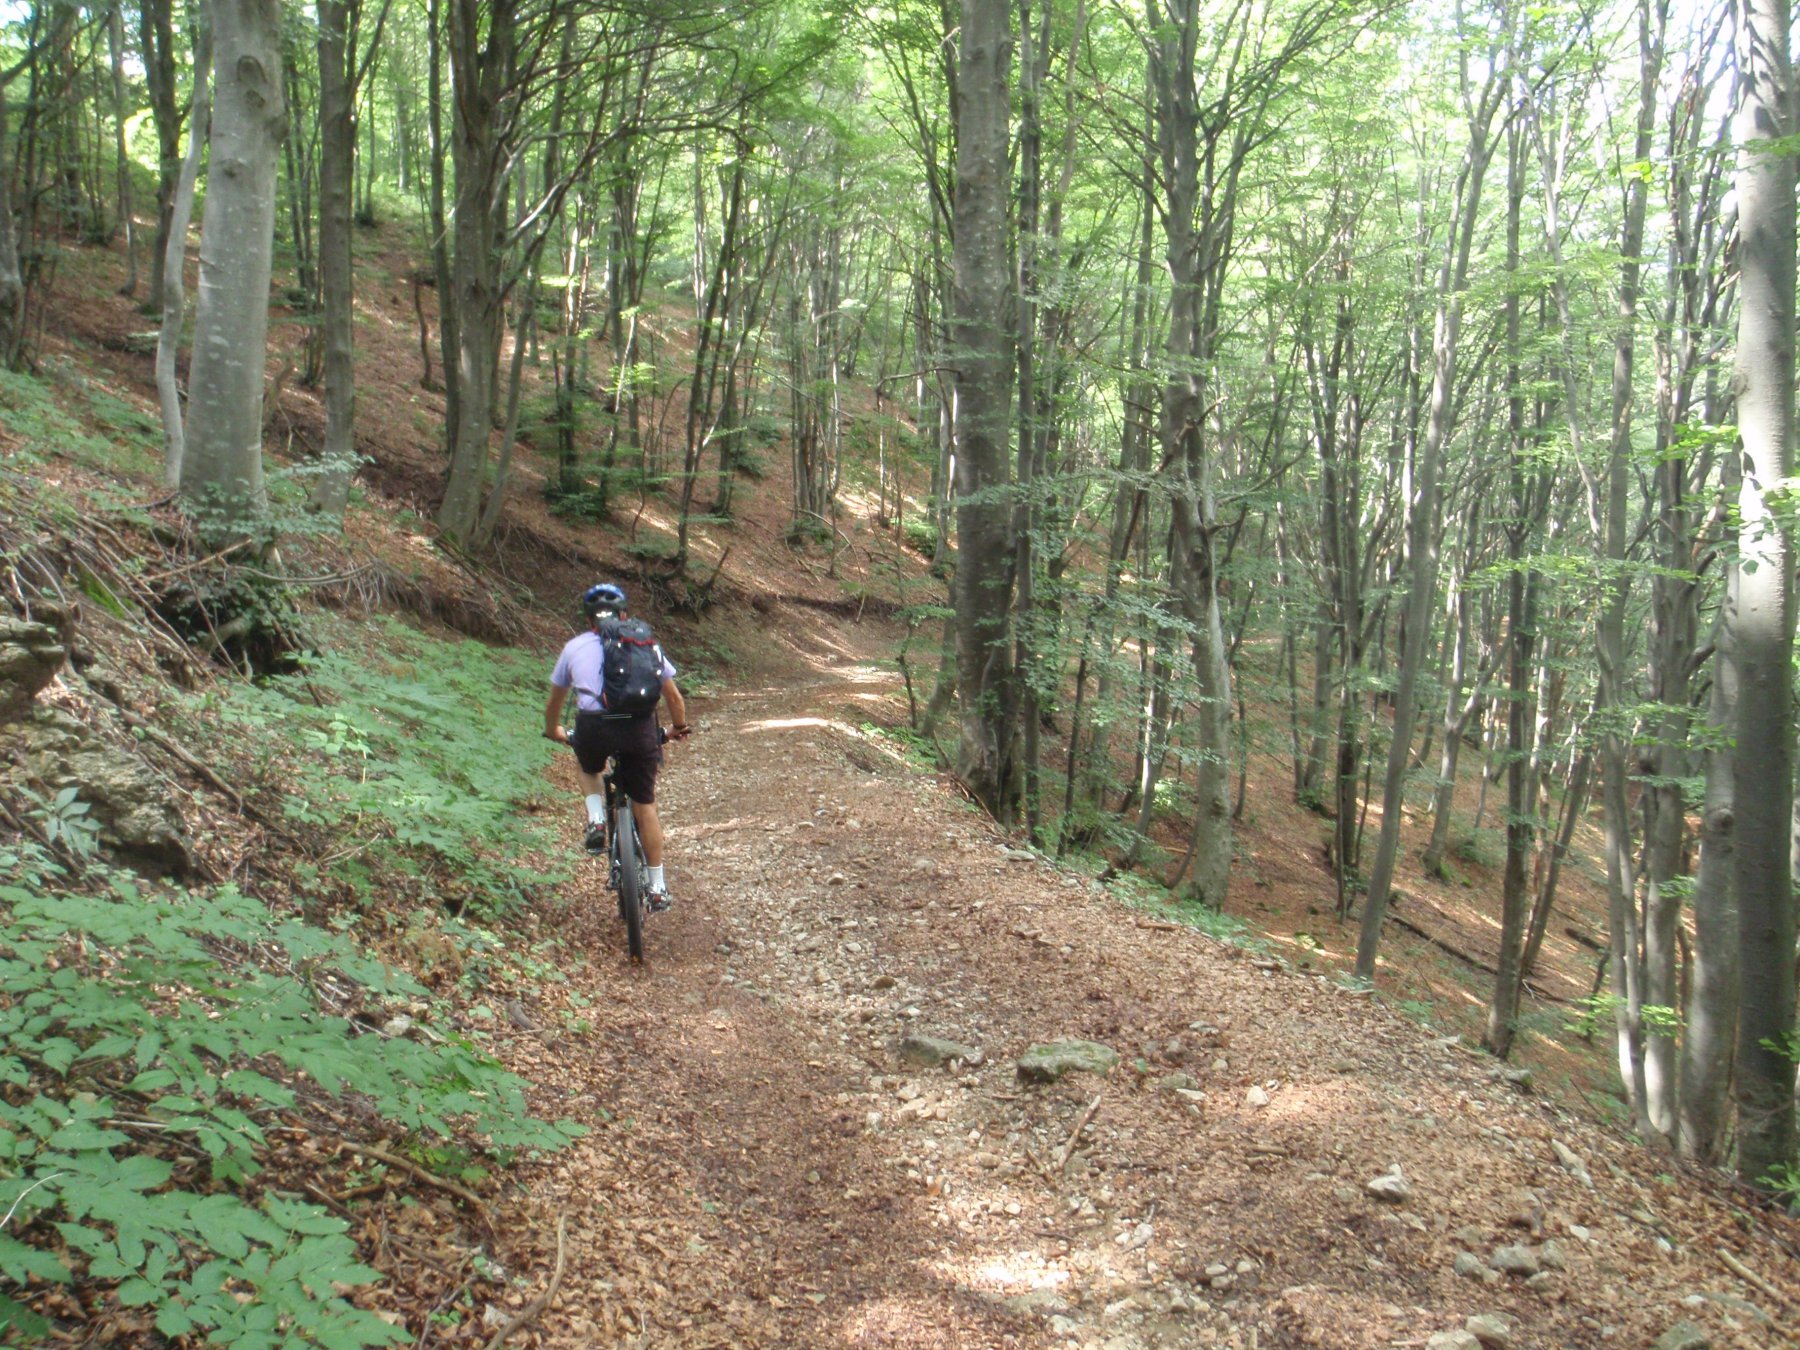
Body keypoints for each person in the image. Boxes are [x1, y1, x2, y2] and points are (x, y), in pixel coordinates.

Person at [543, 583, 690, 911]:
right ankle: (657, 886)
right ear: (624, 615)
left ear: (588, 620)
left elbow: (555, 702)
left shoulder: (574, 647)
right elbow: (674, 698)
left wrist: (553, 730)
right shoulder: (645, 643)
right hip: (639, 729)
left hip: (594, 727)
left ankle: (596, 817)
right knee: (645, 805)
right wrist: (678, 728)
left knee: (588, 766)